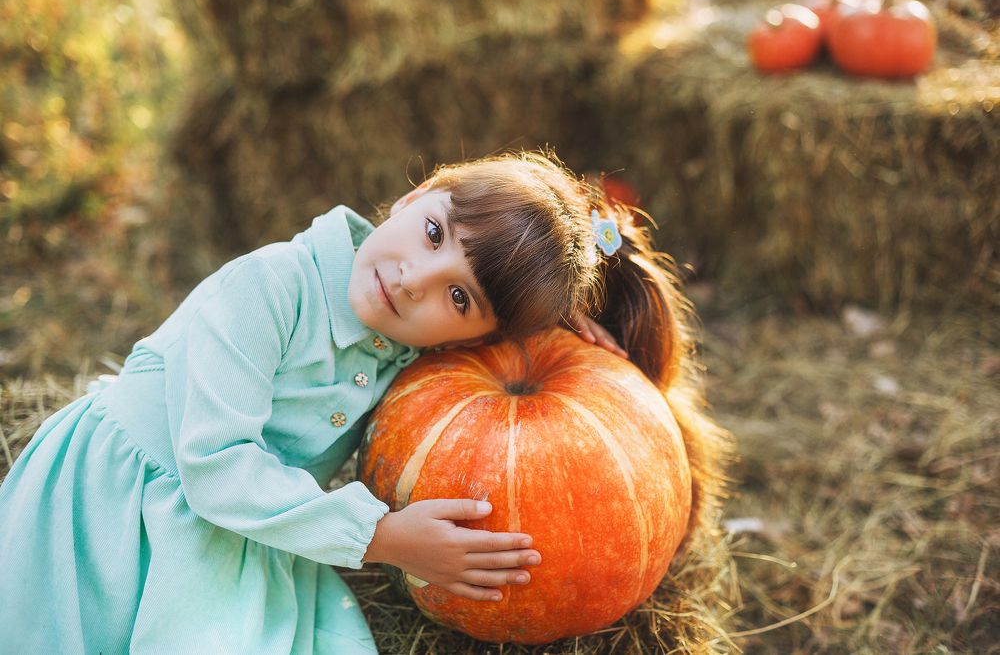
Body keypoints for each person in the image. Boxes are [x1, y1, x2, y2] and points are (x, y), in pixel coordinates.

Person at [0, 148, 727, 653]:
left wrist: (567, 348)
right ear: (415, 196)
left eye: (459, 296)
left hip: (250, 531)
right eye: (434, 232)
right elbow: (215, 469)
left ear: (478, 335)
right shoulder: (268, 287)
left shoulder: (412, 346)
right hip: (129, 505)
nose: (414, 278)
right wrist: (384, 538)